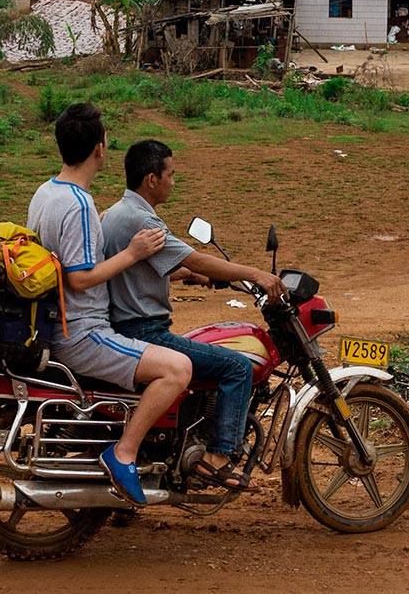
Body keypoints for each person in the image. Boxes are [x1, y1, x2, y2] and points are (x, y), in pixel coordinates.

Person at [26, 104, 192, 505]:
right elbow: (79, 278)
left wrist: (180, 272)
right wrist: (134, 253)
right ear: (100, 148)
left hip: (56, 323)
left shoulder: (47, 192)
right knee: (178, 369)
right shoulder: (80, 205)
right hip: (81, 332)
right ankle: (123, 454)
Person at [103, 139, 284, 491]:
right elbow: (195, 256)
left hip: (125, 325)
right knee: (236, 367)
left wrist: (190, 275)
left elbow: (148, 267)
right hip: (146, 331)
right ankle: (216, 458)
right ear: (152, 179)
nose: (174, 181)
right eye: (171, 174)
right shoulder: (143, 220)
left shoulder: (116, 213)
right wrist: (255, 273)